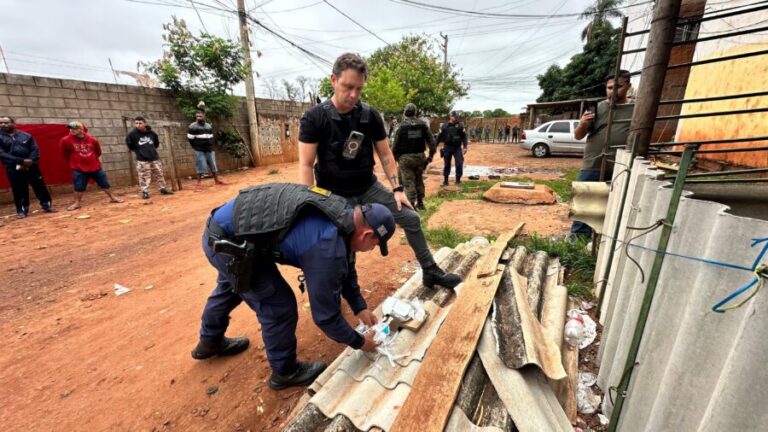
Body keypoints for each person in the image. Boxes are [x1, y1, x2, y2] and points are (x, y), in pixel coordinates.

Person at [192, 183, 395, 390]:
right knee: (278, 306)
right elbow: (326, 316)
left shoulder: (345, 215)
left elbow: (347, 263)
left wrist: (359, 306)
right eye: (375, 245)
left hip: (230, 231)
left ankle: (209, 341)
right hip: (229, 245)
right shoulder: (326, 247)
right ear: (367, 234)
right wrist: (360, 342)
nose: (371, 249)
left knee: (233, 287)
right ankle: (284, 372)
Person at [298, 52, 461, 290]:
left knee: (411, 218)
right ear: (333, 80)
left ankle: (430, 270)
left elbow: (385, 154)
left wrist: (397, 189)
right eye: (347, 86)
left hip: (367, 187)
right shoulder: (315, 118)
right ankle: (344, 290)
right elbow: (305, 164)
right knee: (342, 241)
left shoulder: (369, 116)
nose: (353, 95)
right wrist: (310, 203)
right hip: (333, 193)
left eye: (359, 89)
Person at [570, 70, 634, 239]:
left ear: (628, 86)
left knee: (613, 204)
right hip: (593, 163)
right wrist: (583, 123)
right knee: (584, 200)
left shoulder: (635, 109)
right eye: (609, 87)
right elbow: (578, 135)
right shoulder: (598, 108)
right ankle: (578, 239)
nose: (613, 91)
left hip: (620, 164)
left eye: (618, 87)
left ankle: (605, 238)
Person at [60, 121, 123, 211]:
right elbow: (64, 154)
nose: (71, 130)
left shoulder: (92, 140)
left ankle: (113, 197)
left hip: (95, 166)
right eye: (70, 128)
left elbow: (98, 152)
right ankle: (77, 203)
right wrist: (75, 161)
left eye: (74, 128)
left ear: (81, 129)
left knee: (104, 183)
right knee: (79, 186)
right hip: (78, 168)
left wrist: (91, 159)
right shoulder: (65, 140)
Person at [0, 116, 55, 218]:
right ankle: (22, 211)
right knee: (19, 189)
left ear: (13, 123)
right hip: (13, 167)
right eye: (1, 123)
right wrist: (20, 161)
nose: (3, 125)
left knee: (39, 186)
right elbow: (2, 154)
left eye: (6, 122)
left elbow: (35, 149)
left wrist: (31, 160)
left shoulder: (26, 135)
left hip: (31, 165)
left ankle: (46, 205)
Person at [391, 103, 436, 210]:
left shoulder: (400, 126)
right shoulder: (423, 125)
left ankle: (411, 205)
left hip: (405, 159)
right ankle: (420, 202)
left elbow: (393, 145)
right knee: (419, 179)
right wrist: (429, 157)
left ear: (405, 112)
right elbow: (432, 143)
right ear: (415, 112)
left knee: (408, 181)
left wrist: (396, 158)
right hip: (420, 157)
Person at [125, 116, 174, 200]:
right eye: (136, 123)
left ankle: (162, 189)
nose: (138, 125)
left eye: (140, 123)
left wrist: (151, 150)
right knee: (144, 176)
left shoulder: (152, 133)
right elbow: (130, 145)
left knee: (159, 174)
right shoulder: (132, 134)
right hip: (142, 159)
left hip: (154, 158)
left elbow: (156, 144)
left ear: (145, 123)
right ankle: (145, 192)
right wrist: (139, 151)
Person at [187, 110, 226, 190]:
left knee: (213, 165)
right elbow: (190, 139)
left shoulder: (208, 126)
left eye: (200, 116)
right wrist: (196, 147)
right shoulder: (192, 126)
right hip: (199, 149)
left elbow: (211, 137)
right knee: (201, 165)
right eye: (197, 116)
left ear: (204, 116)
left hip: (209, 149)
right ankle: (199, 183)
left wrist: (211, 146)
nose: (198, 117)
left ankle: (217, 180)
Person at [436, 110, 468, 186]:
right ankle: (446, 181)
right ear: (450, 117)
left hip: (457, 148)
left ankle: (458, 180)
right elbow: (439, 137)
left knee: (459, 163)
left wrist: (465, 146)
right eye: (455, 117)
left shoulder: (460, 125)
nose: (456, 118)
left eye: (457, 117)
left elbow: (464, 136)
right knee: (447, 164)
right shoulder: (444, 126)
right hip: (447, 147)